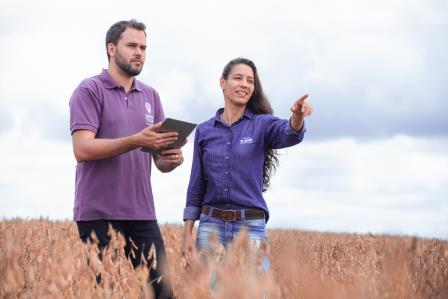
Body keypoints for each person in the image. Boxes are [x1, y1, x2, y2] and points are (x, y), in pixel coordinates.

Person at [69, 19, 183, 299]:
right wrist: (135, 140)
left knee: (162, 294)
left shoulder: (151, 96)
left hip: (142, 212)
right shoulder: (89, 90)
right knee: (104, 293)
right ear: (111, 48)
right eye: (132, 45)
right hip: (98, 214)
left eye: (143, 47)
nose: (139, 52)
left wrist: (171, 158)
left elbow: (159, 162)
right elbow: (82, 149)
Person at [181, 57, 313, 270]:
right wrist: (187, 233)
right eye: (238, 78)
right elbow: (196, 185)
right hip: (210, 227)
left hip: (250, 227)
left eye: (250, 81)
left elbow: (291, 134)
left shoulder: (262, 125)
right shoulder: (204, 131)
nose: (245, 84)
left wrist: (297, 117)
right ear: (222, 83)